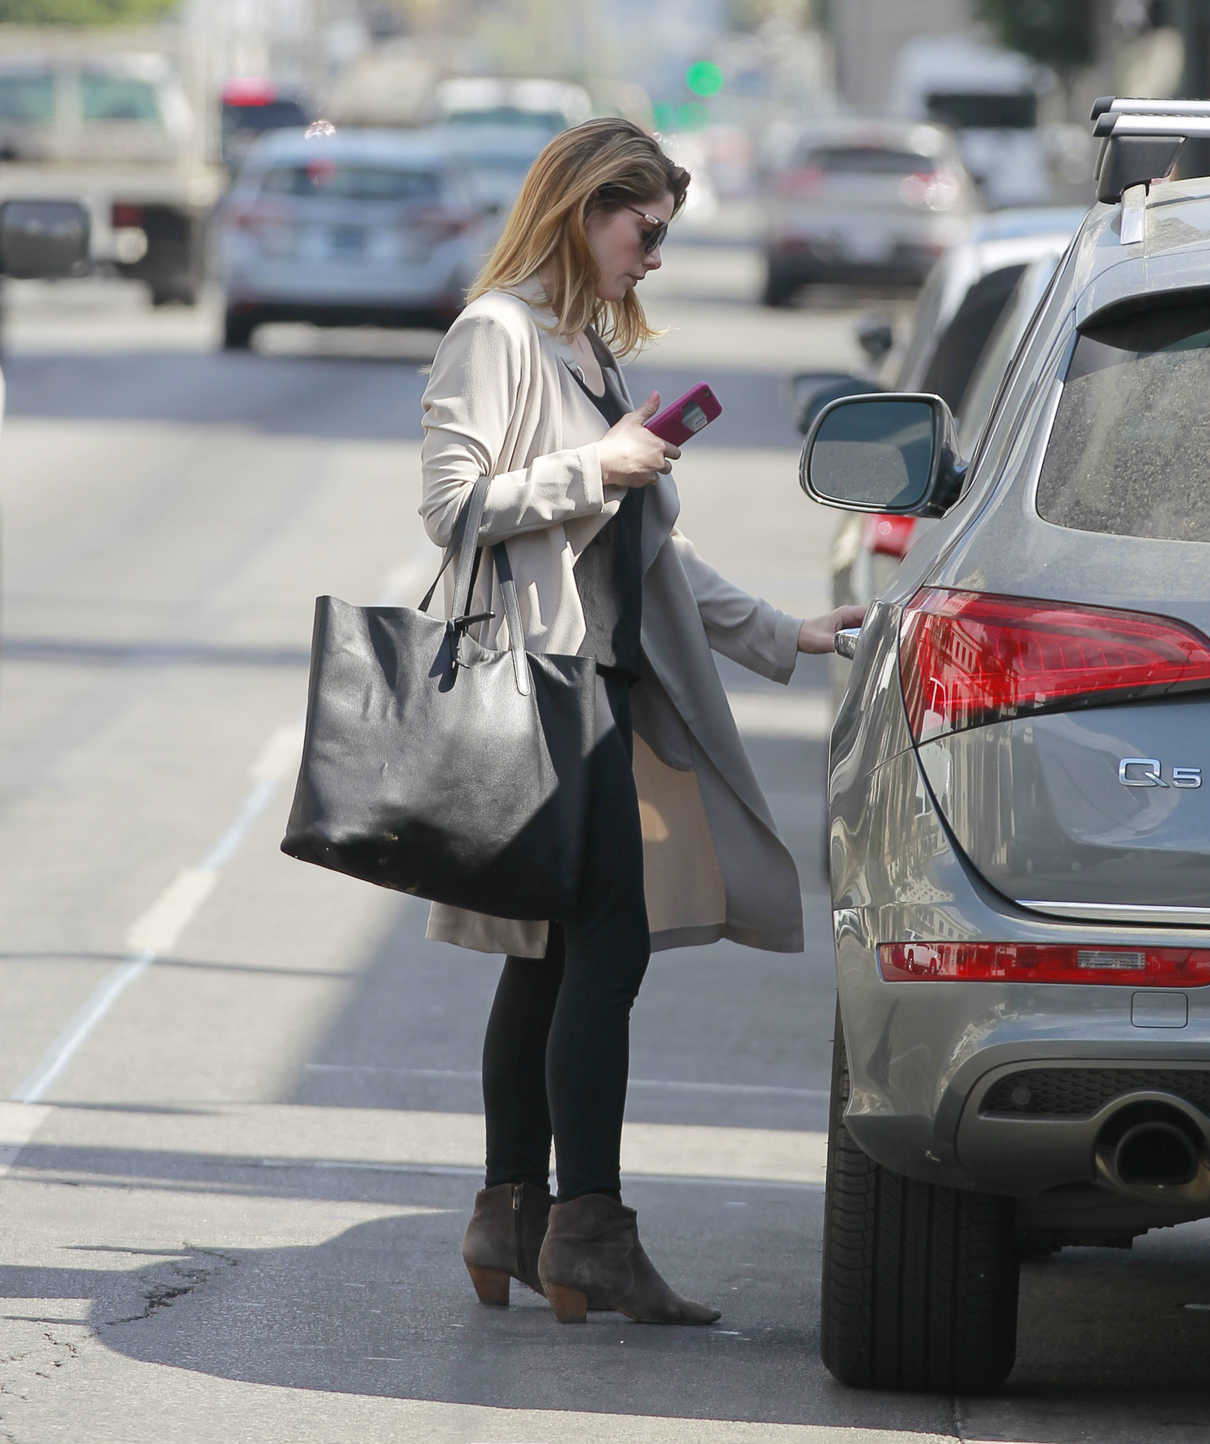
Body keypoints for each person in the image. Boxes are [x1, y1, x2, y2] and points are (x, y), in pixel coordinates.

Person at [418, 117, 864, 1326]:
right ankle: (590, 1235)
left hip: (603, 688)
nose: (654, 257)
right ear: (581, 209)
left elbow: (653, 553)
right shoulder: (497, 332)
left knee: (551, 954)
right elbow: (452, 508)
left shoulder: (587, 349)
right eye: (644, 230)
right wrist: (596, 467)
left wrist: (784, 631)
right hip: (541, 694)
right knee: (601, 951)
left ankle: (510, 1216)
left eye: (665, 234)